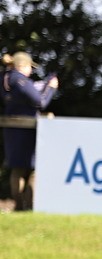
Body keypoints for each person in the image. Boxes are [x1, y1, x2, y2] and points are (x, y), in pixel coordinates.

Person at [2, 52, 56, 211]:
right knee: (32, 169)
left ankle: (19, 205)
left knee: (16, 167)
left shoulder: (4, 79)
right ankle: (26, 206)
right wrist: (51, 88)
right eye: (29, 68)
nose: (31, 72)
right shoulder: (20, 80)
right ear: (22, 66)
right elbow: (40, 102)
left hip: (11, 127)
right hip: (27, 129)